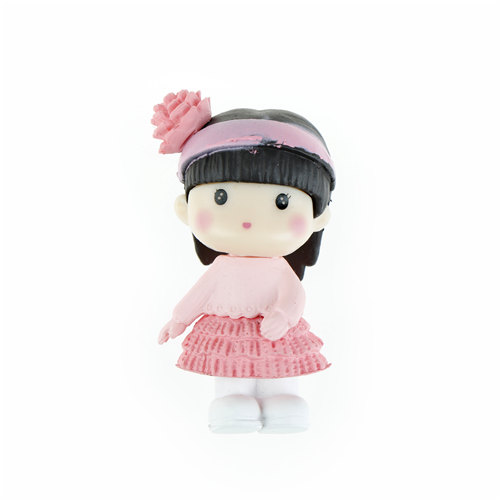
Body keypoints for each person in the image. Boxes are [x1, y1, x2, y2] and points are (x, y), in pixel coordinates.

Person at [152, 90, 335, 433]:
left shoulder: (280, 269)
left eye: (282, 202)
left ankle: (283, 400)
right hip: (228, 331)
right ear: (185, 210)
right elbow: (199, 295)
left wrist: (284, 315)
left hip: (274, 329)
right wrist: (178, 320)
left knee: (280, 370)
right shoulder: (222, 268)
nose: (249, 219)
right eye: (221, 198)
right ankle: (232, 403)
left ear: (317, 218)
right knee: (231, 371)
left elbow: (294, 295)